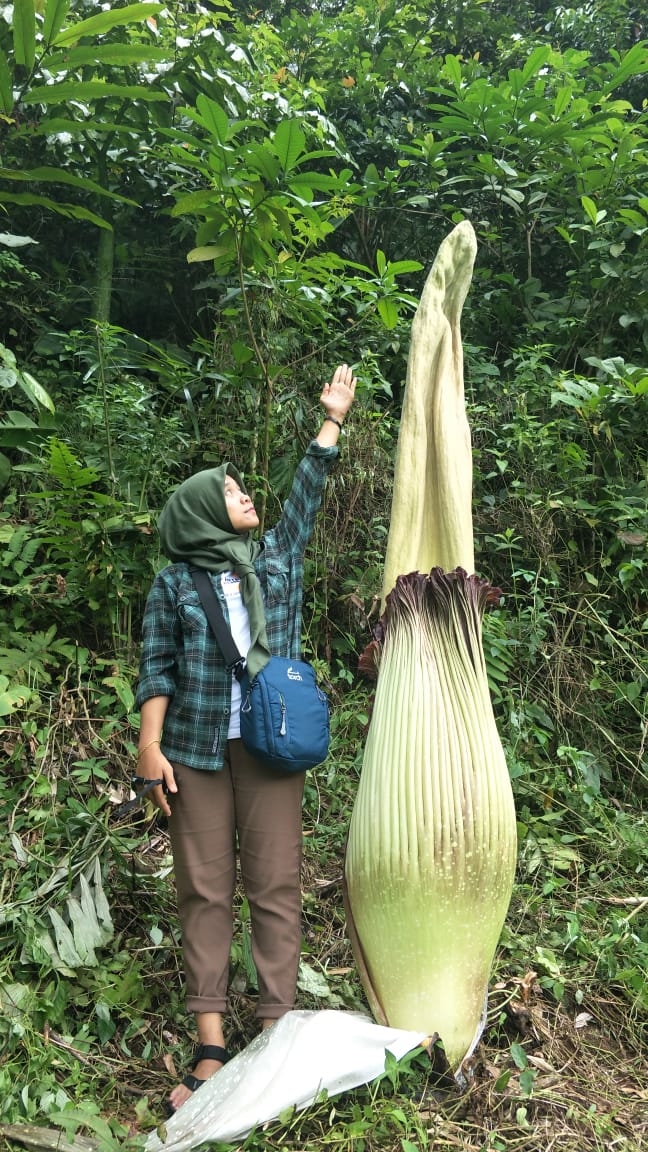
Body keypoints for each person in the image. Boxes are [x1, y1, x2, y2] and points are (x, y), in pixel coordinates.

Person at [135, 364, 357, 1112]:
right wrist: (149, 747)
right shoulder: (172, 584)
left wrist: (331, 419)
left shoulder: (275, 567)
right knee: (203, 889)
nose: (245, 497)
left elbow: (304, 499)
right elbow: (155, 668)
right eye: (230, 493)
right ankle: (210, 1047)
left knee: (275, 886)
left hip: (266, 748)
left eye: (242, 489)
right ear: (201, 512)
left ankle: (276, 1030)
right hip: (194, 752)